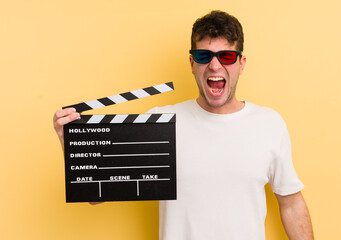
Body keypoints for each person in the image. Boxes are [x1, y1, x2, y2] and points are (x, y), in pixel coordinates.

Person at [54, 10, 314, 240]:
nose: (214, 65)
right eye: (204, 55)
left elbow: (291, 204)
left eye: (226, 56)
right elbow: (96, 194)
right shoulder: (160, 124)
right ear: (192, 63)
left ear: (240, 63)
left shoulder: (269, 124)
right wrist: (73, 145)